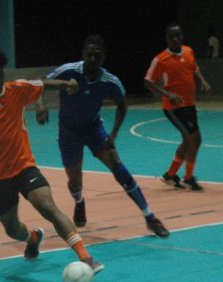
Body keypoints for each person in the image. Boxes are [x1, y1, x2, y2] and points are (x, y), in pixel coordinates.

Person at [0, 47, 103, 273]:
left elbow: (44, 84)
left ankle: (86, 258)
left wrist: (68, 84)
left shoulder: (17, 89)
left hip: (24, 166)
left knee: (48, 206)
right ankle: (33, 237)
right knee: (12, 229)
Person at [39, 34, 169, 238]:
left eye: (97, 55)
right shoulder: (69, 70)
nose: (92, 58)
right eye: (88, 54)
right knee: (74, 181)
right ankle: (80, 201)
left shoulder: (110, 81)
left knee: (119, 168)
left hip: (93, 130)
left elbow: (122, 105)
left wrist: (113, 135)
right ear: (83, 54)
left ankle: (150, 217)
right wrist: (41, 105)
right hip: (69, 133)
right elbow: (41, 83)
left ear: (104, 57)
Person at [144, 23, 211, 191]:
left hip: (189, 104)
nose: (175, 39)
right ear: (167, 39)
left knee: (189, 140)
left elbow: (194, 68)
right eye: (171, 36)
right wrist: (167, 95)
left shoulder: (188, 51)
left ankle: (170, 175)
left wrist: (202, 81)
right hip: (173, 108)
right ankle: (188, 178)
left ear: (182, 36)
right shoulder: (160, 59)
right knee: (195, 139)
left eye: (178, 36)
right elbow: (147, 81)